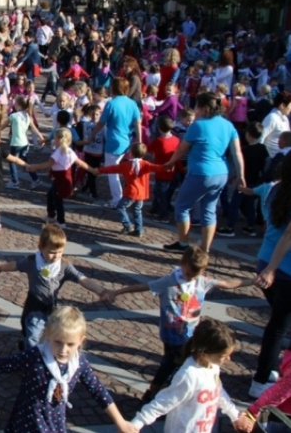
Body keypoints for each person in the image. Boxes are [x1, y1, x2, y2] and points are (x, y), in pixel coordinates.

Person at [104, 246, 255, 402]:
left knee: (173, 363)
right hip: (172, 335)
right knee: (175, 364)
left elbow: (228, 283)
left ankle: (157, 391)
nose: (190, 278)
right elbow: (143, 287)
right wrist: (116, 292)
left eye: (195, 275)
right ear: (182, 264)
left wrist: (252, 281)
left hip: (190, 336)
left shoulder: (202, 282)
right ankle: (160, 393)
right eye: (188, 274)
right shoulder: (169, 281)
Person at [0, 306, 133, 433]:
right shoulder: (35, 357)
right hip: (26, 425)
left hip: (54, 426)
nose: (63, 350)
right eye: (58, 342)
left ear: (81, 341)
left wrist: (120, 421)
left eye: (71, 344)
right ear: (48, 335)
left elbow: (99, 391)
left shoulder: (79, 363)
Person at [0, 225, 107, 349]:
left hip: (52, 307)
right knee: (33, 335)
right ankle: (30, 357)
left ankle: (30, 348)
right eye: (52, 252)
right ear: (41, 247)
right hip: (34, 305)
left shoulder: (64, 266)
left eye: (60, 252)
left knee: (50, 334)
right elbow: (15, 265)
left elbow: (82, 279)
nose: (56, 256)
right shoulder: (32, 261)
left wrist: (100, 290)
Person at [163, 91, 244, 254]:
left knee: (182, 205)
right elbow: (237, 152)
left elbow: (181, 148)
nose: (196, 109)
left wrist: (170, 162)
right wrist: (241, 175)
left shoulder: (198, 125)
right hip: (221, 173)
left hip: (201, 172)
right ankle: (205, 249)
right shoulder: (228, 125)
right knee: (209, 209)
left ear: (205, 108)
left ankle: (184, 243)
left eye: (197, 107)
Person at [127, 319, 241, 433]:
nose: (228, 359)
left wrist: (235, 415)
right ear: (205, 352)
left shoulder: (213, 367)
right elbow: (164, 401)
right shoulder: (189, 375)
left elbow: (218, 391)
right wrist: (138, 422)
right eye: (223, 355)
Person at [252, 153, 291, 398]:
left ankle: (273, 370)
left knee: (279, 324)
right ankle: (261, 378)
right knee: (278, 326)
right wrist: (273, 269)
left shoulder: (276, 189)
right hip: (282, 270)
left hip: (264, 260)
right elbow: (288, 235)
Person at [87, 77, 142, 207]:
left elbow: (101, 123)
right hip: (128, 142)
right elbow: (138, 123)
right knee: (129, 170)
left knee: (112, 172)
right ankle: (132, 195)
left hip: (113, 142)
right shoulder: (132, 103)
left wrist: (92, 135)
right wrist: (139, 141)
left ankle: (117, 199)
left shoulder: (111, 103)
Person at [93, 142, 163, 238]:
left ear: (131, 153)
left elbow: (113, 168)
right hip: (141, 193)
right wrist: (168, 167)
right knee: (137, 210)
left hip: (131, 192)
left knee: (121, 207)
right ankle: (139, 230)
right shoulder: (146, 164)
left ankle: (127, 226)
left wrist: (100, 170)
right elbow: (158, 168)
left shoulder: (127, 165)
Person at [28, 128, 94, 229]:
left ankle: (61, 221)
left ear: (59, 139)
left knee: (58, 200)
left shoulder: (58, 152)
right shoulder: (69, 151)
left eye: (55, 137)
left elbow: (48, 164)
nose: (54, 139)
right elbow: (80, 163)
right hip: (63, 179)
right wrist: (92, 170)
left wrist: (35, 166)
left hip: (61, 180)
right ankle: (51, 215)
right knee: (51, 195)